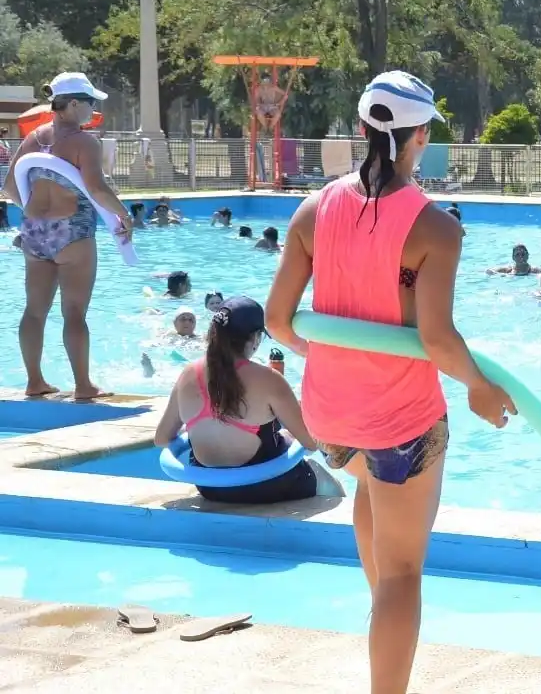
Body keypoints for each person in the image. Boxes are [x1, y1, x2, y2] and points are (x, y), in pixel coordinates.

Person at [265, 70, 513, 694]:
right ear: (420, 135)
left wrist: (327, 352)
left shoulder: (313, 209)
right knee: (404, 572)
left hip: (330, 419)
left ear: (361, 128)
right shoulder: (434, 227)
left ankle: (385, 626)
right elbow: (436, 340)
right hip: (401, 423)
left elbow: (276, 320)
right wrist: (479, 387)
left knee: (371, 496)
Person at [1, 72, 131, 399]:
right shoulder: (85, 142)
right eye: (89, 102)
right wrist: (123, 215)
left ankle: (34, 382)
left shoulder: (35, 138)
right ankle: (84, 386)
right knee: (74, 312)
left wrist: (34, 211)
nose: (92, 109)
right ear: (73, 104)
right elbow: (97, 189)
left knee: (34, 310)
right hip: (72, 230)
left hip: (34, 232)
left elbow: (9, 187)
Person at [152, 296, 334, 504]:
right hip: (267, 485)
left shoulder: (187, 374)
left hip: (210, 488)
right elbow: (310, 441)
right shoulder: (269, 379)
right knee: (323, 477)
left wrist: (197, 429)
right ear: (255, 337)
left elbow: (162, 439)